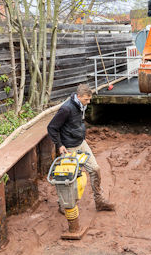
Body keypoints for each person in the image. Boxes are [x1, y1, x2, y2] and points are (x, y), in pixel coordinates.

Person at [47, 83, 115, 212]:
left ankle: (99, 201)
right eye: (86, 99)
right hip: (69, 147)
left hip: (81, 143)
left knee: (95, 169)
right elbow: (52, 127)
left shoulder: (80, 105)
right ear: (78, 96)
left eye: (89, 99)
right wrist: (59, 145)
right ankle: (65, 205)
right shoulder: (66, 109)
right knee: (71, 178)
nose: (88, 102)